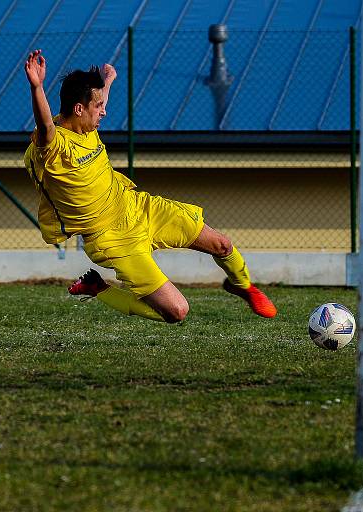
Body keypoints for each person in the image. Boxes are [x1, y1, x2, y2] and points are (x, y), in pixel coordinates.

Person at [22, 49, 276, 323]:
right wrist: (37, 87)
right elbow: (45, 124)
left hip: (137, 207)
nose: (104, 111)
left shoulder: (87, 125)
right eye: (98, 106)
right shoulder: (54, 147)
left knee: (222, 245)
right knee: (176, 312)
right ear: (79, 109)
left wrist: (108, 80)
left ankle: (243, 286)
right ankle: (98, 288)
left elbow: (99, 97)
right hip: (111, 239)